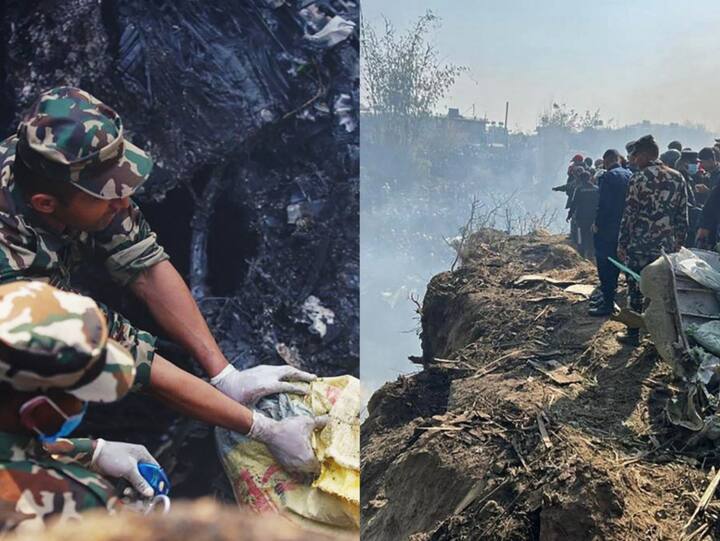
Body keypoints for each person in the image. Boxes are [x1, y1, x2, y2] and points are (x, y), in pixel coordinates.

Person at [0, 87, 324, 473]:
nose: (123, 202)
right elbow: (120, 352)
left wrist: (225, 375)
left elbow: (143, 260)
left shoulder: (50, 166)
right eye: (105, 196)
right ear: (45, 204)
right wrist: (263, 430)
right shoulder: (13, 271)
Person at [0, 281, 162, 532]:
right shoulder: (76, 500)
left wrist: (90, 451)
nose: (84, 404)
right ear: (36, 411)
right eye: (80, 395)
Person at [617, 135, 688, 345]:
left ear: (647, 155)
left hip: (639, 246)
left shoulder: (638, 178)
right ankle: (664, 338)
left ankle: (633, 334)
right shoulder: (678, 178)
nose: (633, 159)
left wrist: (622, 243)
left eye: (636, 155)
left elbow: (629, 214)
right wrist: (679, 242)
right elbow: (682, 215)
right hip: (665, 248)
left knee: (635, 289)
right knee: (664, 292)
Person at [588, 149, 631, 316]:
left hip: (607, 229)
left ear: (606, 160)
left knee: (605, 265)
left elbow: (603, 204)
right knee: (617, 263)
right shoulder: (629, 174)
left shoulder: (608, 177)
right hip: (624, 229)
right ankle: (608, 298)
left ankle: (607, 303)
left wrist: (597, 224)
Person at [567, 170, 598, 258]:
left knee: (581, 235)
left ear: (581, 179)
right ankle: (591, 253)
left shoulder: (579, 189)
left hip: (581, 216)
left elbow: (574, 203)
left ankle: (582, 254)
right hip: (593, 216)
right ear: (590, 178)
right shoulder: (596, 189)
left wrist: (570, 214)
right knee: (592, 234)